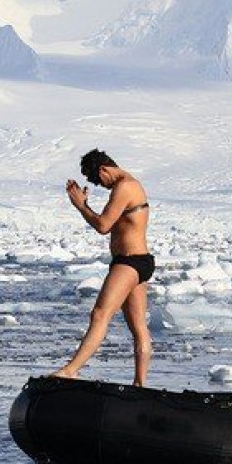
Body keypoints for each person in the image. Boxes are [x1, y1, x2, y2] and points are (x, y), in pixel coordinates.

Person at [51, 149, 154, 386]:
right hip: (137, 262)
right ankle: (140, 384)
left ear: (104, 169)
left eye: (98, 180)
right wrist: (86, 205)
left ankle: (71, 370)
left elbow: (104, 225)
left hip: (129, 262)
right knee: (138, 326)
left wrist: (80, 206)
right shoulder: (129, 185)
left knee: (100, 314)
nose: (101, 185)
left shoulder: (125, 186)